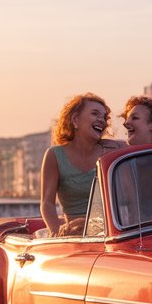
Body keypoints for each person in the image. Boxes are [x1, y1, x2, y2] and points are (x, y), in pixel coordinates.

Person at [40, 93, 120, 236]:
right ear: (75, 120)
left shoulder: (111, 152)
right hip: (73, 235)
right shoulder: (54, 155)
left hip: (108, 234)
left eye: (104, 117)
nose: (101, 120)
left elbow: (138, 146)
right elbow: (47, 204)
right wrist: (57, 233)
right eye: (95, 114)